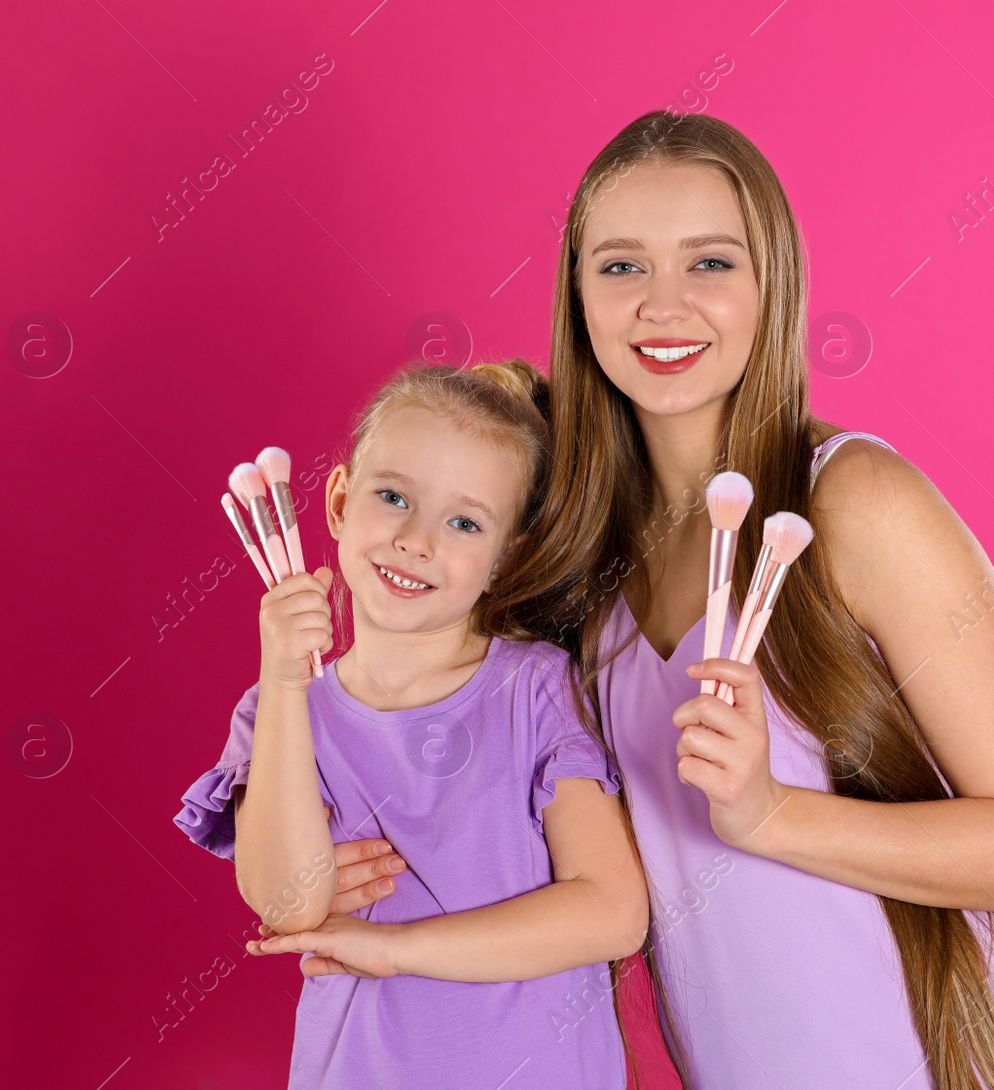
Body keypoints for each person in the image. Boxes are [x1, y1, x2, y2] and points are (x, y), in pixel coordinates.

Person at [485, 111, 994, 1090]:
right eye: (620, 266)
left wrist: (773, 814)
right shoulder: (584, 576)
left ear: (771, 285)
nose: (663, 305)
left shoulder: (851, 499)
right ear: (576, 294)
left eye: (710, 263)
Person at [173, 359, 647, 1089]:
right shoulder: (278, 713)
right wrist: (283, 677)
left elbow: (614, 913)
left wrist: (395, 948)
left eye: (464, 522)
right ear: (337, 501)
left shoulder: (535, 690)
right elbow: (287, 901)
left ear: (505, 557)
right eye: (393, 496)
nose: (416, 540)